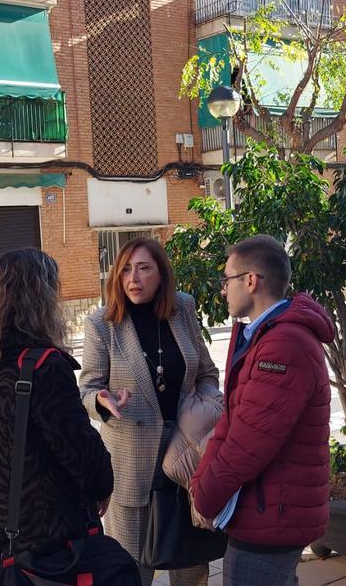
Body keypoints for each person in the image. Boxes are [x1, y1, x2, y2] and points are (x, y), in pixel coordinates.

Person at [0, 247, 115, 569]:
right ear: (41, 300)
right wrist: (102, 486)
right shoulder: (43, 366)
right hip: (45, 545)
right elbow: (82, 453)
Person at [191, 235, 335, 586]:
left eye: (227, 280)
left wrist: (205, 497)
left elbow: (248, 444)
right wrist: (201, 485)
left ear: (251, 281)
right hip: (264, 508)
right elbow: (232, 420)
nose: (223, 291)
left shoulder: (284, 344)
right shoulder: (261, 335)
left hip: (273, 514)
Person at [80, 237, 222, 586]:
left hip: (187, 458)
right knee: (130, 573)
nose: (134, 278)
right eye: (126, 269)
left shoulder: (183, 309)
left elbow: (206, 373)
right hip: (131, 466)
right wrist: (102, 402)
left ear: (161, 274)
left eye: (144, 268)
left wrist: (203, 411)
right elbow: (86, 387)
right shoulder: (102, 323)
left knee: (191, 568)